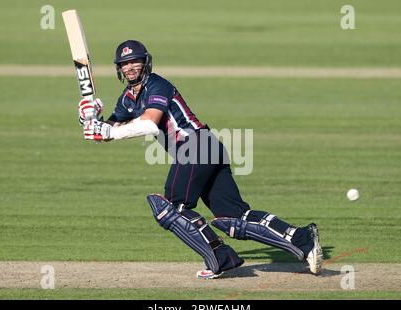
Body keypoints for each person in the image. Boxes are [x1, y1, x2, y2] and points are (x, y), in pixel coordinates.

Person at [78, 40, 323, 279]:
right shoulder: (127, 97)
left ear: (146, 63)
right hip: (205, 148)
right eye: (125, 63)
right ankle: (303, 238)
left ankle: (219, 258)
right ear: (118, 68)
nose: (130, 67)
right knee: (234, 218)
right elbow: (106, 131)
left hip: (196, 145)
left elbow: (150, 123)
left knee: (171, 208)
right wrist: (90, 119)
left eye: (135, 62)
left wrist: (109, 131)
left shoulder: (157, 85)